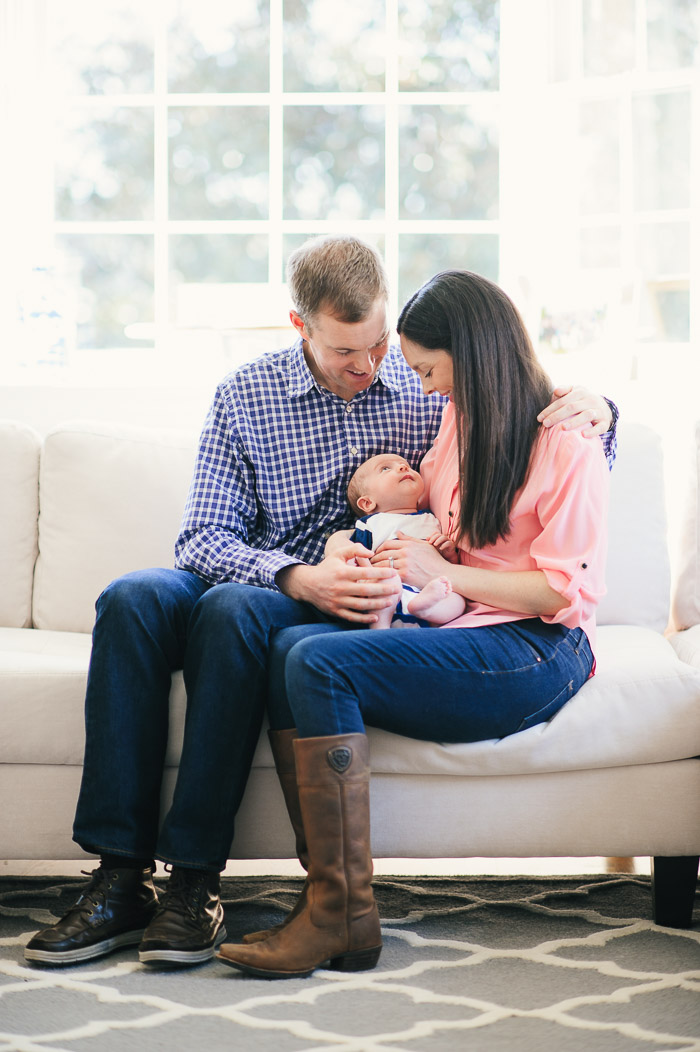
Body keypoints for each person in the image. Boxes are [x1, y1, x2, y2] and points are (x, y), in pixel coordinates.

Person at [25, 237, 617, 970]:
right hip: (278, 576)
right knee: (132, 600)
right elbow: (203, 536)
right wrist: (294, 574)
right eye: (348, 351)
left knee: (234, 615)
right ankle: (119, 881)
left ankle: (194, 883)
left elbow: (526, 429)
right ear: (300, 327)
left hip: (346, 595)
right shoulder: (247, 394)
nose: (371, 366)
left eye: (379, 345)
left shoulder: (430, 385)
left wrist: (603, 410)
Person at [217, 269, 611, 981]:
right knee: (289, 646)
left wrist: (444, 574)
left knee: (319, 661)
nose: (424, 387)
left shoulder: (568, 442)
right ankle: (335, 903)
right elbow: (403, 514)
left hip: (537, 647)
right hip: (465, 630)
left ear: (473, 353)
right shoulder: (459, 421)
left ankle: (341, 910)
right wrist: (355, 547)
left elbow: (560, 594)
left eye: (429, 369)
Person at [337, 452, 466, 628]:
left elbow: (448, 567)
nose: (403, 467)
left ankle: (423, 608)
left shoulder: (431, 518)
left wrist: (449, 553)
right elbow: (356, 557)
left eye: (406, 465)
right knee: (384, 583)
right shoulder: (371, 524)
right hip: (390, 589)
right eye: (385, 468)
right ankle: (379, 627)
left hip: (427, 590)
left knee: (458, 601)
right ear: (368, 503)